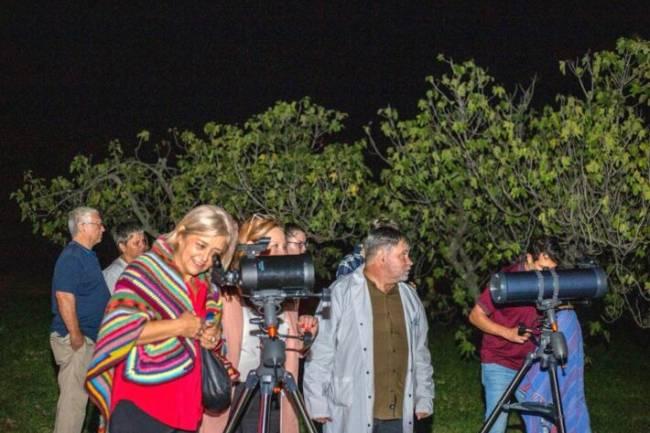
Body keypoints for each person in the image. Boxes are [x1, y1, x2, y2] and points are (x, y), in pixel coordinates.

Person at [85, 205, 239, 433]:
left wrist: (211, 337)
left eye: (215, 253)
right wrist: (179, 326)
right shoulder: (145, 271)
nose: (205, 258)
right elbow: (118, 331)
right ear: (183, 231)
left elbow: (208, 338)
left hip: (186, 408)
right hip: (141, 404)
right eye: (201, 245)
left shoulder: (209, 289)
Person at [304, 224, 434, 433]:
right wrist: (316, 401)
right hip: (353, 405)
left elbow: (420, 351)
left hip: (399, 412)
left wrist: (424, 396)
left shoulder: (410, 298)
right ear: (382, 256)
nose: (409, 262)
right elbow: (321, 349)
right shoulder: (340, 292)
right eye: (403, 255)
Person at [200, 214, 318, 433]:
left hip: (274, 393)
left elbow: (293, 350)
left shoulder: (289, 295)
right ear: (251, 249)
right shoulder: (226, 294)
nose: (281, 252)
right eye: (272, 246)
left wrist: (307, 334)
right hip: (236, 392)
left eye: (283, 245)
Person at [468, 237, 567, 433]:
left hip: (533, 365)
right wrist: (507, 333)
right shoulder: (507, 280)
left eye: (551, 270)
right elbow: (475, 316)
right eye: (542, 268)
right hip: (499, 361)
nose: (546, 275)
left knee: (544, 424)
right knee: (496, 425)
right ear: (529, 258)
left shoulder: (549, 283)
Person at [50, 206, 111, 433]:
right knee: (73, 404)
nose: (103, 229)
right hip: (77, 340)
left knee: (85, 400)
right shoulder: (72, 256)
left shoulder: (87, 255)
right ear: (83, 226)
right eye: (98, 224)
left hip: (91, 339)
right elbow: (64, 296)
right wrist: (75, 335)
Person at [103, 222, 148, 294]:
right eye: (136, 243)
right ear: (122, 247)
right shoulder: (114, 274)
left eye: (143, 241)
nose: (142, 246)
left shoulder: (143, 266)